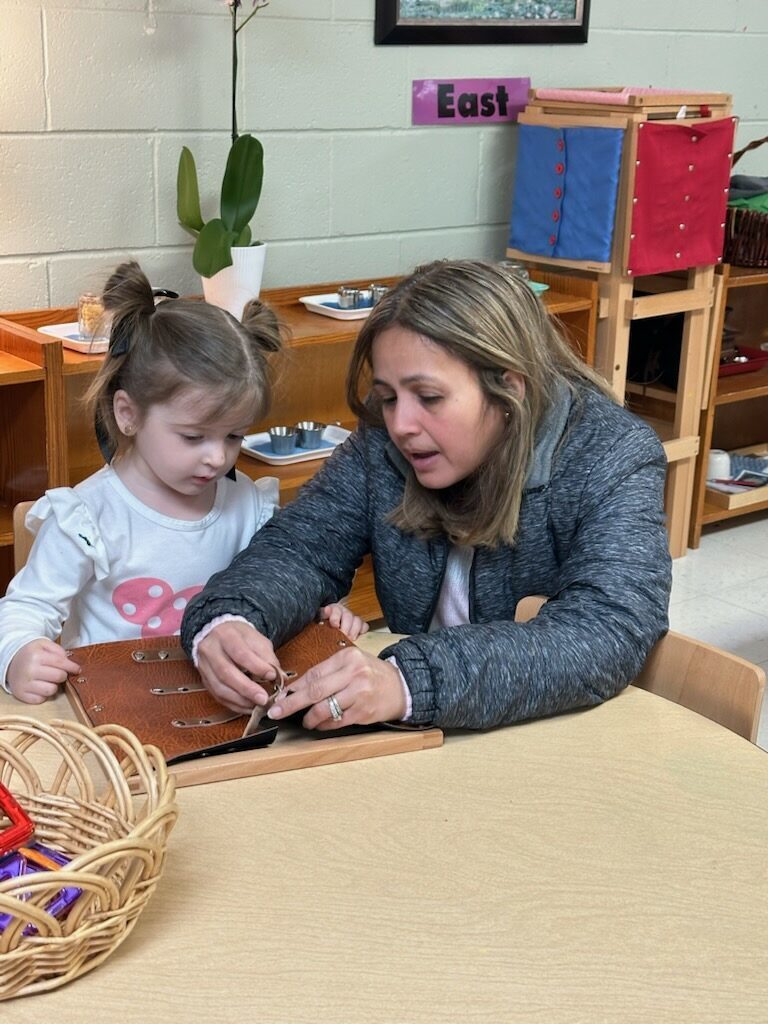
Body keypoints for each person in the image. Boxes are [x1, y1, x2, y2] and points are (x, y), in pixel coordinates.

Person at [181, 258, 672, 732]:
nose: (400, 425)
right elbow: (301, 547)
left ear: (510, 389)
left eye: (429, 397)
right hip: (424, 736)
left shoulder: (613, 453)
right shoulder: (381, 440)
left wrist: (408, 682)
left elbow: (606, 629)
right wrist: (230, 618)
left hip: (549, 739)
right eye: (388, 397)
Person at [0, 260, 366, 704]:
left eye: (233, 436)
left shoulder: (249, 507)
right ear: (128, 413)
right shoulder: (86, 519)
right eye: (193, 437)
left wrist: (326, 614)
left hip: (219, 706)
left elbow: (279, 587)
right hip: (118, 712)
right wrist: (18, 654)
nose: (217, 457)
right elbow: (24, 609)